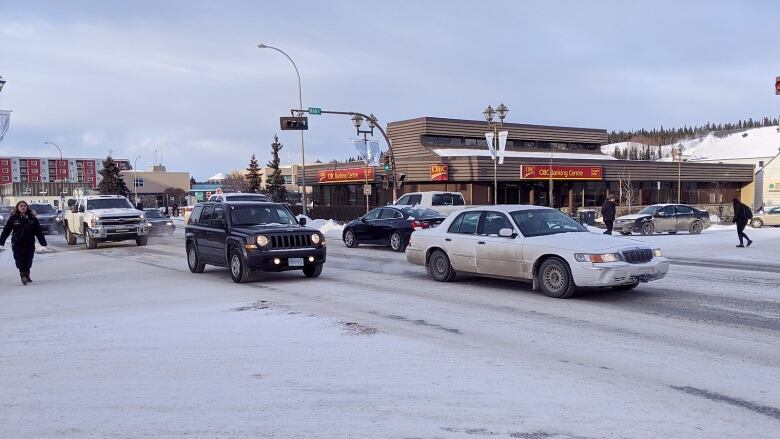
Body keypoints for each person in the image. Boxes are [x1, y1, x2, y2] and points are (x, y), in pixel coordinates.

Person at [0, 201, 48, 285]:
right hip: (17, 242)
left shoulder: (32, 218)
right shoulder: (13, 218)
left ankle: (27, 274)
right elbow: (6, 231)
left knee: (28, 259)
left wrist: (43, 242)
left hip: (29, 242)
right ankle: (22, 274)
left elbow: (38, 231)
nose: (23, 207)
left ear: (27, 207)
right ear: (17, 208)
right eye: (21, 206)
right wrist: (1, 241)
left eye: (24, 206)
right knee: (19, 259)